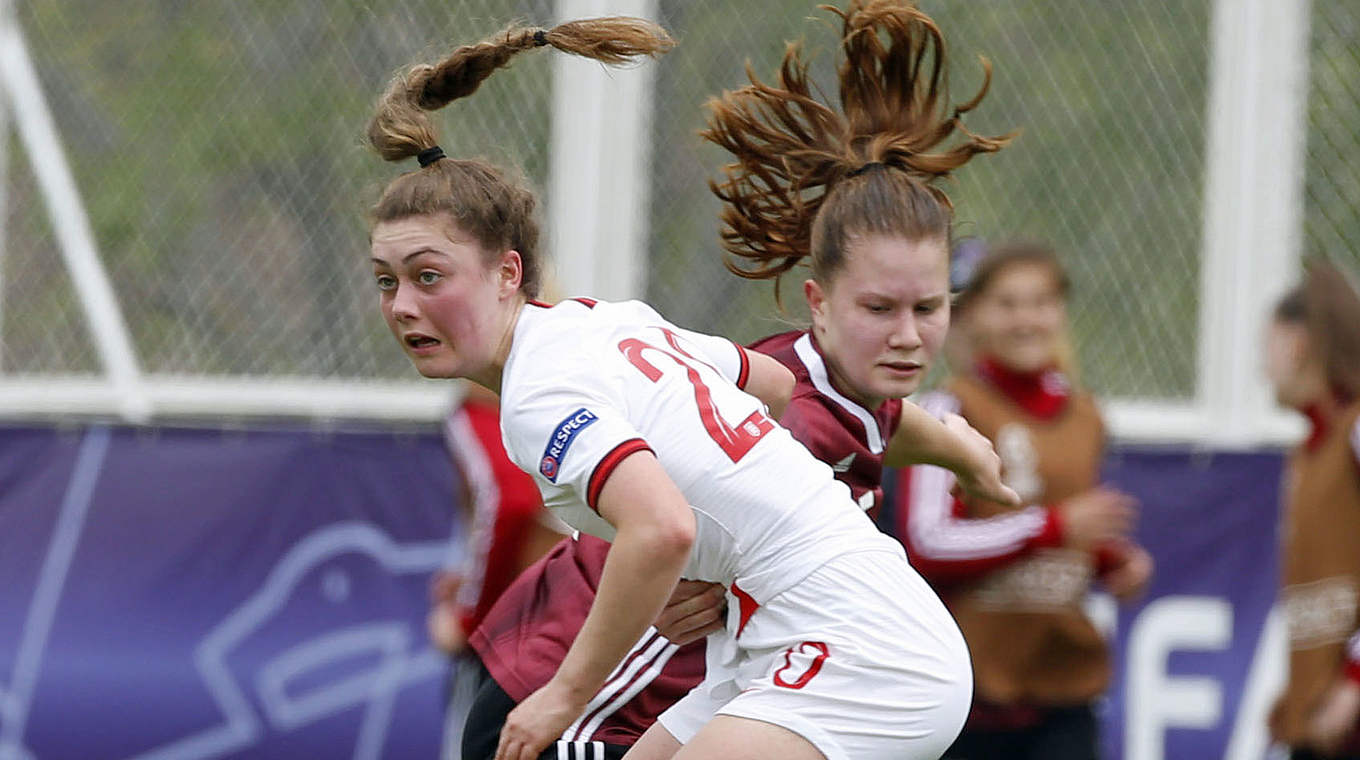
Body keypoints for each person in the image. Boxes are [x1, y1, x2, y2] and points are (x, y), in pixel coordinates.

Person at [363, 9, 1017, 760]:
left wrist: (568, 694)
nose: (405, 306)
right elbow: (771, 386)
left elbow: (667, 524)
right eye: (388, 281)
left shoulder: (543, 388)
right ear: (818, 303)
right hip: (773, 644)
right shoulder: (603, 323)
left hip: (854, 653)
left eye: (429, 277)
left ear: (508, 273)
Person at [887, 241, 1151, 760]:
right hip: (972, 701)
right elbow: (925, 542)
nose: (1026, 319)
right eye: (1008, 304)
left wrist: (1109, 561)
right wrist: (1051, 527)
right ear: (973, 314)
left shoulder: (1086, 415)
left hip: (1065, 695)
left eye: (1042, 302)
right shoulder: (948, 409)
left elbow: (1063, 530)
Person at [429, 382, 572, 758]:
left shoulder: (483, 404)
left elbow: (509, 504)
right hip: (598, 618)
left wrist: (468, 620)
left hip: (526, 633)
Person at [1265, 260, 1360, 760]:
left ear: (1298, 344)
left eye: (1268, 347)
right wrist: (1298, 693)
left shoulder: (1354, 428)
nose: (1264, 368)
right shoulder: (1309, 450)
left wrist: (1353, 683)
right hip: (1321, 723)